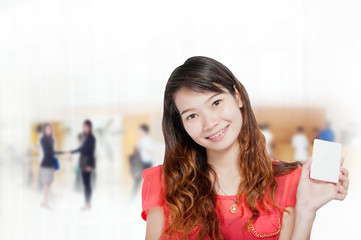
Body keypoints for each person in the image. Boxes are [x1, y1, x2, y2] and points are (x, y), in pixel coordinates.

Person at [141, 57, 349, 240]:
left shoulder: (289, 180)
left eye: (216, 102)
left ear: (238, 96)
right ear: (182, 125)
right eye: (192, 115)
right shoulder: (163, 182)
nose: (209, 123)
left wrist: (306, 211)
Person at [66, 120, 96, 211]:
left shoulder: (92, 138)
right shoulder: (84, 138)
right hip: (82, 162)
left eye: (86, 126)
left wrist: (90, 165)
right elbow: (80, 149)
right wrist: (71, 152)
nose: (84, 128)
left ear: (90, 127)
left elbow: (91, 152)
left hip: (88, 162)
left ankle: (87, 203)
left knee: (87, 185)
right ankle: (87, 203)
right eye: (83, 127)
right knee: (85, 184)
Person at [39, 123, 64, 209]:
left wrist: (60, 152)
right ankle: (45, 202)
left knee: (49, 183)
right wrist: (60, 152)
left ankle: (45, 201)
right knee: (47, 184)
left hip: (51, 164)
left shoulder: (52, 140)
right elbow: (48, 152)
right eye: (46, 129)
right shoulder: (43, 140)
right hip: (45, 164)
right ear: (44, 130)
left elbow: (53, 152)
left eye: (50, 129)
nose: (48, 130)